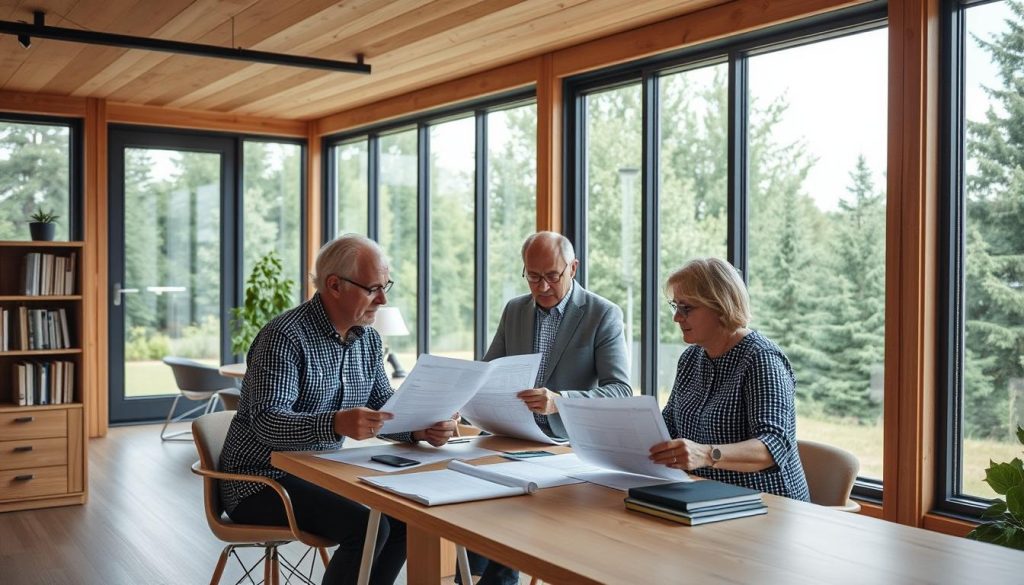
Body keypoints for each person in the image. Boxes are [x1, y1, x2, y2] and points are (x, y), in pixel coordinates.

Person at [219, 234, 458, 585]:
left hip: (321, 474)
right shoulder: (284, 336)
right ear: (334, 285)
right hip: (259, 480)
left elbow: (382, 406)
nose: (384, 298)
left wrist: (420, 429)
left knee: (407, 520)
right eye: (373, 288)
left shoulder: (368, 339)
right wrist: (334, 424)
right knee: (366, 528)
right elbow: (267, 422)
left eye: (385, 285)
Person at [459, 231, 632, 585]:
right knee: (469, 506)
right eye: (533, 276)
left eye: (552, 276)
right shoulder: (515, 310)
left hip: (563, 448)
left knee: (508, 522)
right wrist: (456, 401)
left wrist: (560, 401)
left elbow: (621, 391)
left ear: (573, 268)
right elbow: (488, 372)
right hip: (509, 436)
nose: (542, 287)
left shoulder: (602, 314)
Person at [648, 257, 809, 501]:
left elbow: (773, 447)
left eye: (686, 308)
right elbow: (669, 424)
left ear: (721, 306)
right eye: (675, 307)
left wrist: (705, 454)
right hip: (707, 498)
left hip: (768, 506)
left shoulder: (762, 360)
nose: (677, 318)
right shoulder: (691, 358)